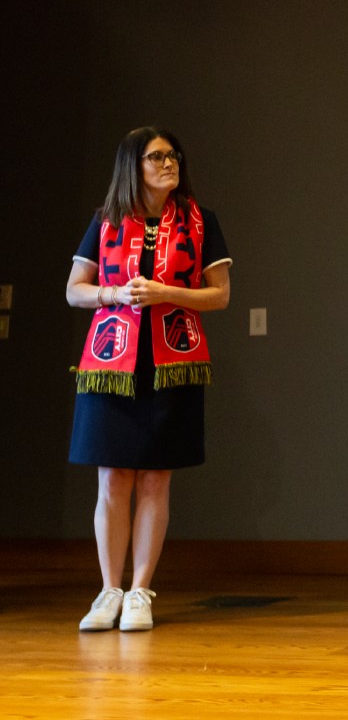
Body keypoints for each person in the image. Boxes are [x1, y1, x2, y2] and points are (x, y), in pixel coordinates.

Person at [66, 127, 231, 632]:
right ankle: (108, 591)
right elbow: (75, 290)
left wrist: (165, 292)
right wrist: (114, 296)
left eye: (173, 155)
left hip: (172, 360)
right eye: (156, 156)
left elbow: (220, 295)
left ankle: (140, 591)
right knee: (112, 478)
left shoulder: (202, 221)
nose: (168, 163)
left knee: (157, 477)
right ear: (132, 166)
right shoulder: (106, 220)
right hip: (112, 363)